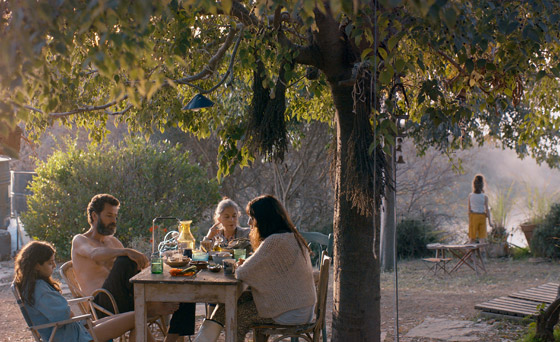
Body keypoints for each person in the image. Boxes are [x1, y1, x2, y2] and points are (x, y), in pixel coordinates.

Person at [71, 193, 195, 342]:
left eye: (115, 216)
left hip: (125, 300)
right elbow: (94, 254)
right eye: (109, 216)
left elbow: (133, 273)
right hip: (102, 306)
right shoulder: (80, 240)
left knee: (185, 294)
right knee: (125, 260)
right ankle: (153, 307)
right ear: (94, 216)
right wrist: (126, 251)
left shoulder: (113, 242)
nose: (113, 221)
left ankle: (170, 337)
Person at [193, 194, 317, 342]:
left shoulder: (275, 241)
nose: (249, 222)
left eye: (252, 217)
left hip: (291, 311)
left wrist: (241, 265)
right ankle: (201, 340)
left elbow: (242, 273)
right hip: (297, 305)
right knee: (227, 303)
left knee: (237, 317)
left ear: (263, 218)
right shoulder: (288, 236)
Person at [13, 240, 178, 342]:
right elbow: (63, 315)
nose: (54, 266)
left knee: (137, 318)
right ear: (36, 265)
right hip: (74, 337)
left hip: (74, 330)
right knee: (137, 317)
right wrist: (76, 317)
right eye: (50, 263)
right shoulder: (39, 289)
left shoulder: (33, 285)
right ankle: (154, 310)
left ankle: (152, 311)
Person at [468, 174, 494, 243]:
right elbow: (487, 210)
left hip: (473, 217)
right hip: (482, 217)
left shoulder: (470, 196)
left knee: (472, 238)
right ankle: (482, 253)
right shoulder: (485, 197)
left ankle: (469, 253)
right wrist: (490, 222)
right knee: (482, 239)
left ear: (474, 184)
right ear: (483, 185)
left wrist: (470, 220)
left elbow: (469, 210)